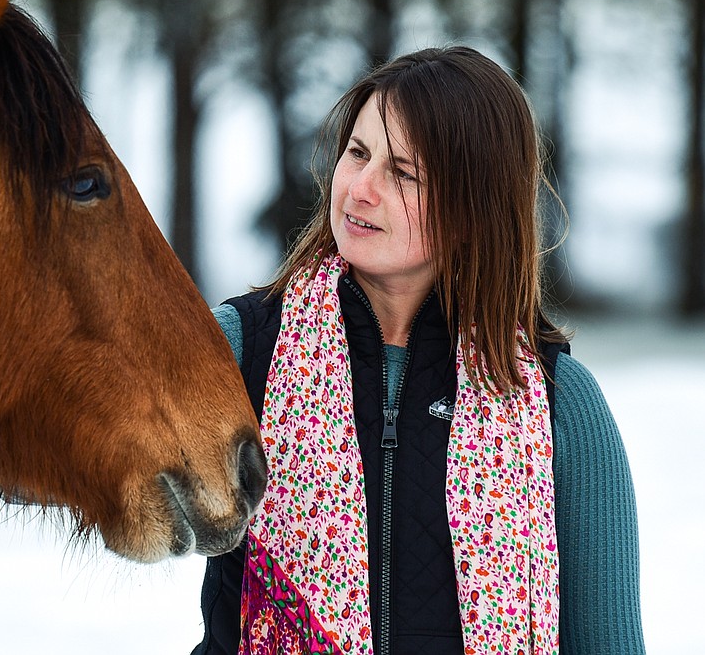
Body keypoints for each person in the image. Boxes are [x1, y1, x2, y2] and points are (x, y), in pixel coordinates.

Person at [192, 47, 645, 655]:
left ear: (471, 209)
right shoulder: (244, 348)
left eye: (403, 173)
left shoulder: (560, 403)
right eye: (357, 153)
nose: (360, 188)